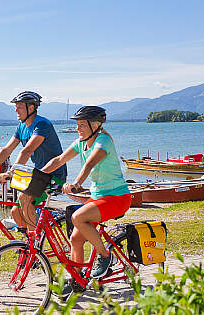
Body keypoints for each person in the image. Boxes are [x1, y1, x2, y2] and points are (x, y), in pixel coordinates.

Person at [41, 105, 131, 280]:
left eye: (82, 124)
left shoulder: (103, 141)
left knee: (77, 217)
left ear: (95, 125)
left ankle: (105, 256)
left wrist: (76, 184)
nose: (77, 128)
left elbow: (89, 165)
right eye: (78, 124)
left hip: (118, 197)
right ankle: (77, 279)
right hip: (99, 197)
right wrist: (38, 176)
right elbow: (59, 160)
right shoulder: (80, 143)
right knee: (75, 239)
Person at [0, 91, 67, 231]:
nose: (15, 110)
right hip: (39, 175)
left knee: (24, 197)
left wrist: (10, 173)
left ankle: (34, 246)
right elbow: (6, 150)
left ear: (31, 108)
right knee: (15, 211)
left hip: (54, 174)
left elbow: (27, 151)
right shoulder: (21, 127)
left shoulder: (42, 124)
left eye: (19, 106)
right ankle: (28, 245)